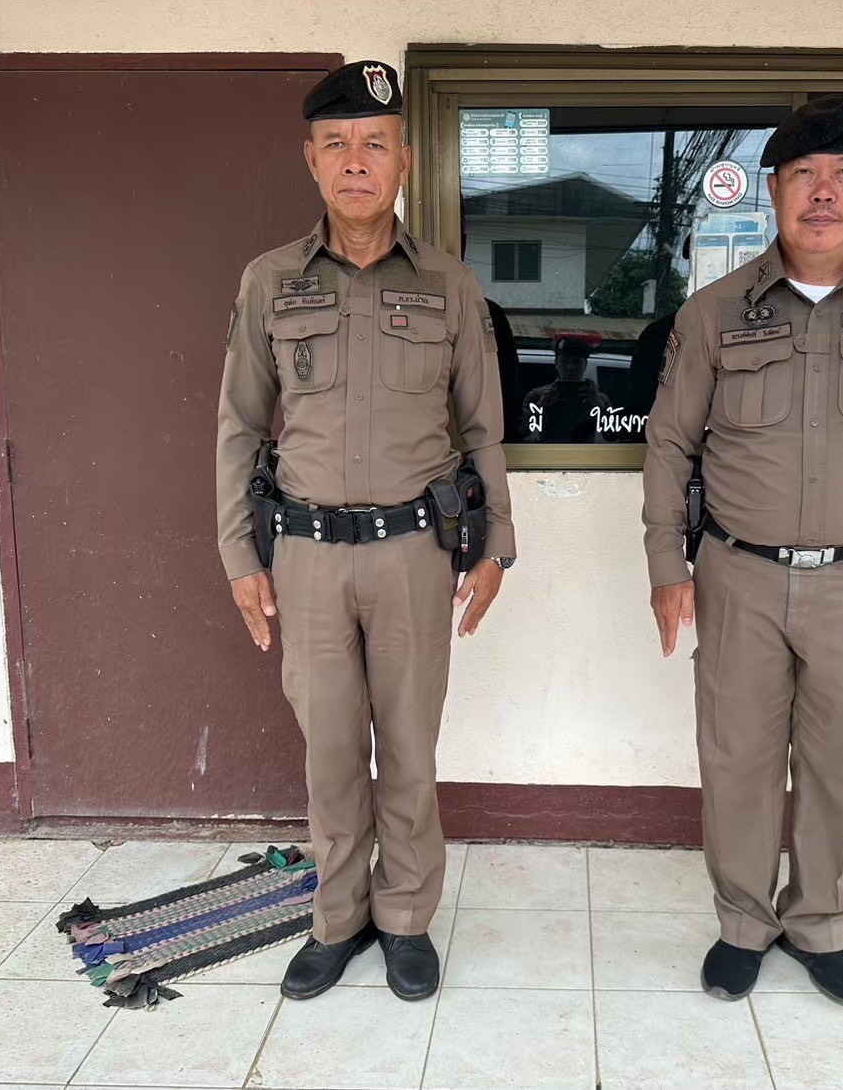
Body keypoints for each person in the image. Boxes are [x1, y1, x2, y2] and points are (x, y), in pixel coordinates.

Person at [642, 95, 843, 1006]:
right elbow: (669, 444)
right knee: (737, 761)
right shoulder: (714, 313)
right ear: (775, 189)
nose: (823, 193)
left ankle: (818, 924)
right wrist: (666, 564)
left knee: (838, 765)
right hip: (736, 576)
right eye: (803, 175)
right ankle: (744, 923)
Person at [214, 60, 516, 1003]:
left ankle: (406, 919)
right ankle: (338, 919)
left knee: (410, 750)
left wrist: (495, 543)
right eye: (337, 145)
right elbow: (238, 425)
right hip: (304, 557)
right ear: (310, 160)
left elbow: (483, 427)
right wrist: (237, 553)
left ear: (403, 162)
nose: (356, 162)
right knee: (332, 753)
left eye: (374, 144)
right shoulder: (269, 282)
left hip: (414, 554)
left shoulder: (449, 284)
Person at [523, 337, 612, 442]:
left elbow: (612, 435)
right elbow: (521, 431)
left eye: (576, 362)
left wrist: (600, 409)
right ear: (556, 363)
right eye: (565, 361)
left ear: (585, 365)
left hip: (583, 452)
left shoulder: (599, 399)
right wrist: (540, 406)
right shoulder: (538, 395)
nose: (570, 367)